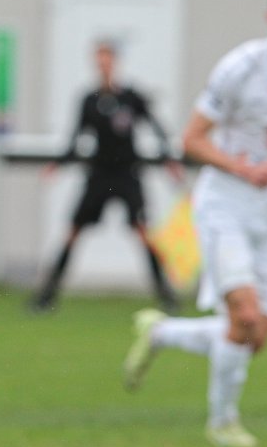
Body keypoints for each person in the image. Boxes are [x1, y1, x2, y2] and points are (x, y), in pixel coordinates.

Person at [122, 0, 267, 447]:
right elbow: (192, 140)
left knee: (255, 334)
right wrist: (241, 168)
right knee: (243, 315)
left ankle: (161, 332)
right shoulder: (240, 68)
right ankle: (222, 423)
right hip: (224, 205)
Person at [30, 40, 182, 313]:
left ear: (115, 62)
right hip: (99, 176)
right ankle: (46, 297)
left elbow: (156, 127)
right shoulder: (89, 100)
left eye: (107, 60)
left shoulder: (131, 98)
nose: (104, 66)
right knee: (73, 231)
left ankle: (167, 297)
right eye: (99, 61)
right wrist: (58, 164)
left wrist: (169, 160)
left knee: (143, 232)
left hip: (127, 175)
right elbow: (75, 139)